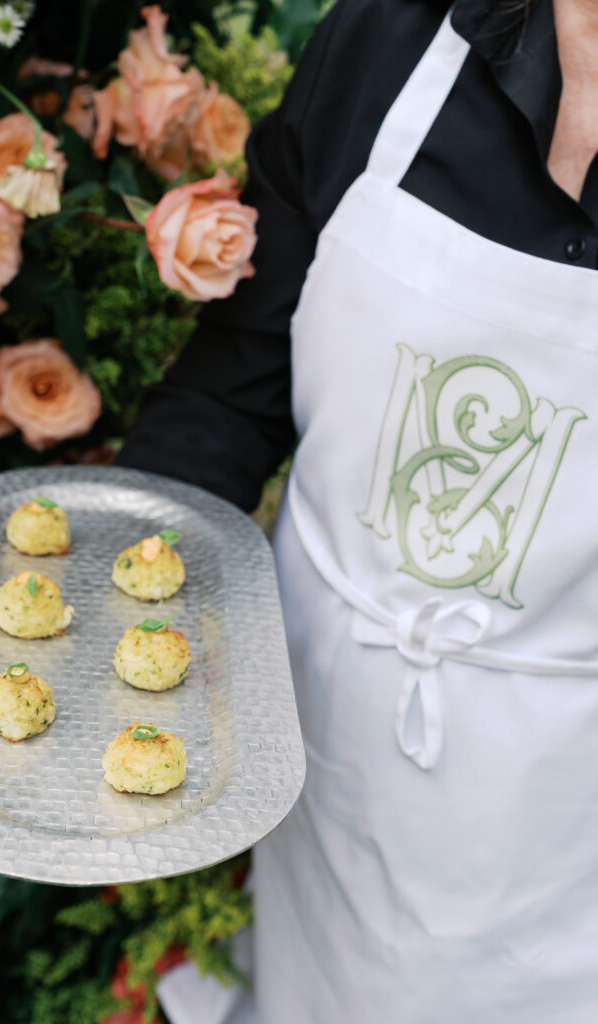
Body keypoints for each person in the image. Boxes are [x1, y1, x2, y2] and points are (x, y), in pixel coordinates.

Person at [117, 0, 598, 1020]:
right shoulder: (388, 44)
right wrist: (125, 601)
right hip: (315, 762)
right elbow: (231, 392)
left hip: (565, 846)